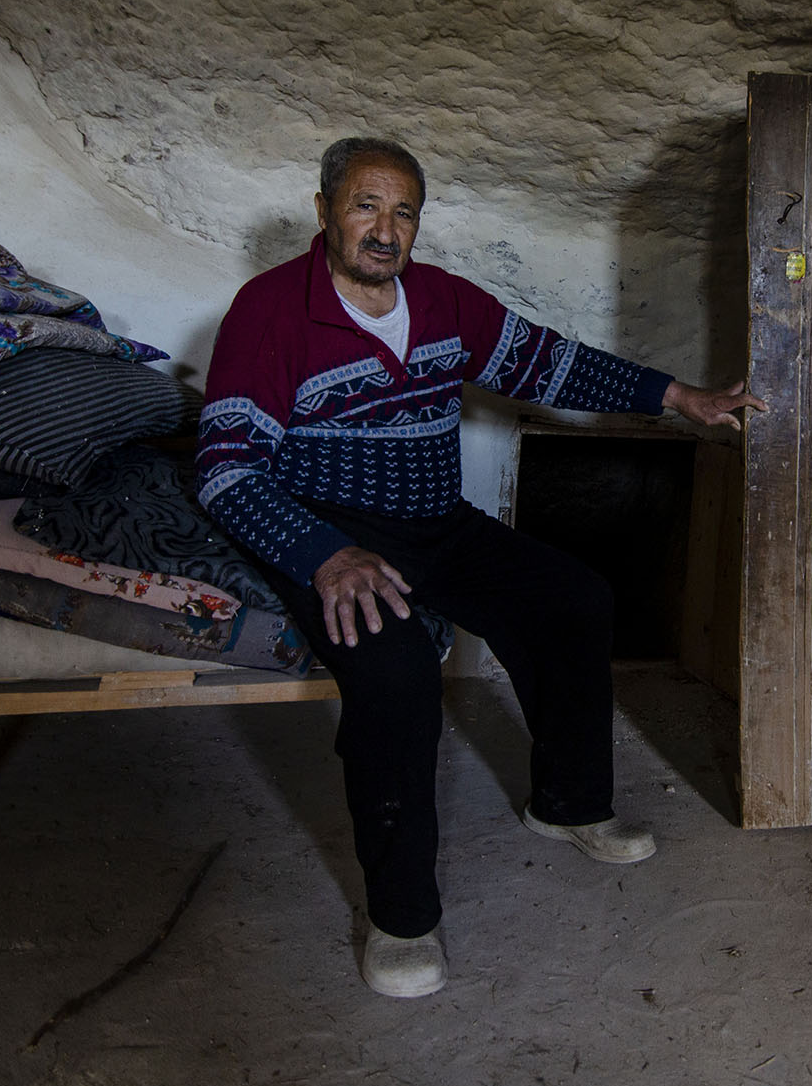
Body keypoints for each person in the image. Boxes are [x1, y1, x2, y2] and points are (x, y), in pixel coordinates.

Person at [198, 136, 764, 997]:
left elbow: (551, 362)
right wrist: (324, 556)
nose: (384, 230)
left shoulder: (443, 301)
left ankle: (568, 804)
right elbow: (225, 470)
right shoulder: (270, 311)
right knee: (396, 673)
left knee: (573, 599)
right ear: (324, 212)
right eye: (365, 206)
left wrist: (676, 396)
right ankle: (400, 918)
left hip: (438, 523)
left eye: (403, 212)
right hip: (333, 533)